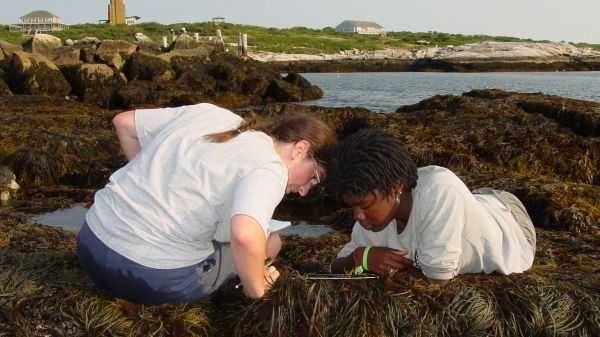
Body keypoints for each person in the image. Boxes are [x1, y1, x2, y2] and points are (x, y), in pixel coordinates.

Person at [76, 103, 336, 304]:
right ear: (300, 149)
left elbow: (123, 123)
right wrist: (256, 287)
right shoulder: (271, 168)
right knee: (271, 241)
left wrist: (149, 179)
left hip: (91, 244)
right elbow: (245, 235)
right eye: (313, 178)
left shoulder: (210, 113)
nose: (303, 191)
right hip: (150, 276)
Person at [328, 129, 535, 285]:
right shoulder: (371, 222)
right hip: (471, 202)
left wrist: (390, 272)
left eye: (364, 206)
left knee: (448, 195)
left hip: (510, 220)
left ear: (396, 188)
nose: (357, 216)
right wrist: (360, 258)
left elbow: (437, 279)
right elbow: (336, 266)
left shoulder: (439, 193)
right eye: (352, 207)